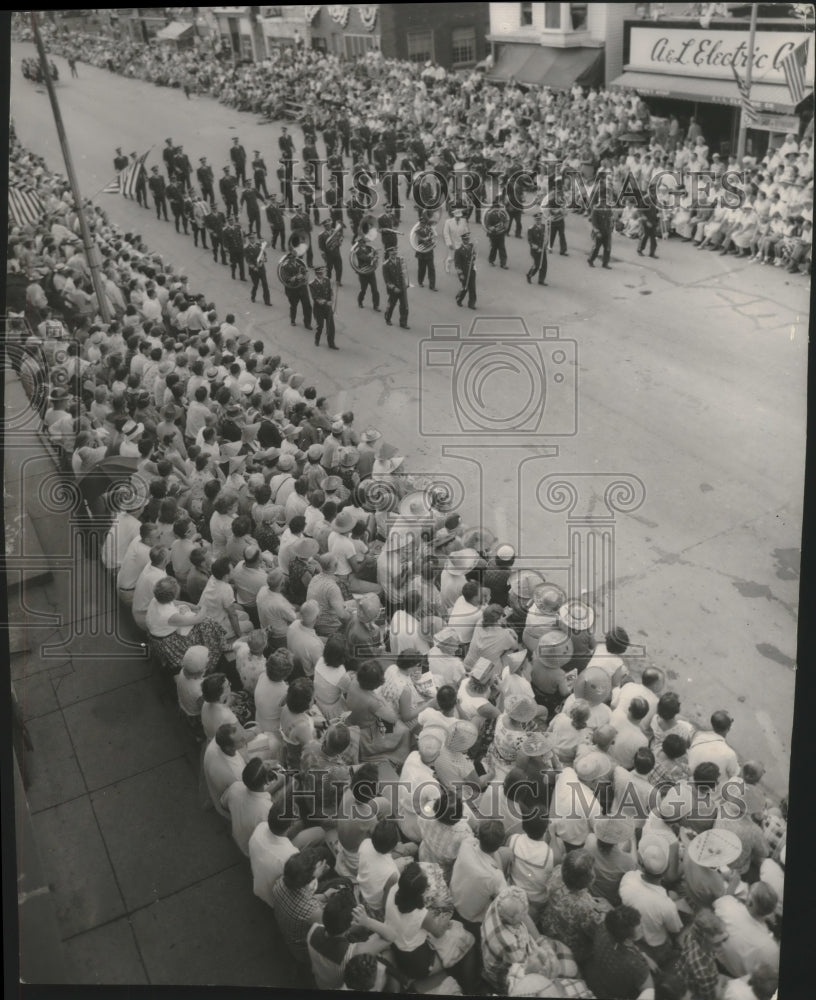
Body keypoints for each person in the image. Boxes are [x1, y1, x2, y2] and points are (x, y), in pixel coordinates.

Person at [618, 837, 682, 966]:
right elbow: (675, 930)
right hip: (657, 946)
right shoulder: (666, 905)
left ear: (641, 864)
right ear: (665, 871)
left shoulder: (628, 878)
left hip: (633, 938)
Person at [583, 905, 653, 1000]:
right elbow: (648, 990)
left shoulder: (603, 928)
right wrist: (644, 961)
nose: (643, 928)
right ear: (628, 937)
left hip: (602, 975)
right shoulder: (636, 964)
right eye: (640, 927)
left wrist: (643, 955)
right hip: (619, 992)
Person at [450, 819, 508, 929]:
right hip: (469, 916)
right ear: (500, 843)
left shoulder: (466, 843)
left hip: (454, 896)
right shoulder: (494, 876)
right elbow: (506, 899)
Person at [713, 881, 779, 978]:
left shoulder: (726, 906)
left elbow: (722, 901)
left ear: (749, 902)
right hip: (740, 978)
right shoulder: (771, 948)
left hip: (720, 965)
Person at [248, 799, 299, 908]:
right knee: (318, 832)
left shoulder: (260, 827)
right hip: (275, 901)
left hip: (259, 885)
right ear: (292, 824)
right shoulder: (291, 855)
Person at [309, 264, 337, 350]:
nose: (321, 275)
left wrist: (332, 299)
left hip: (328, 308)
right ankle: (317, 340)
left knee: (331, 327)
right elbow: (315, 298)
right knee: (320, 327)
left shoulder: (327, 280)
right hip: (319, 309)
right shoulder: (312, 284)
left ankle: (331, 344)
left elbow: (330, 291)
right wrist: (326, 302)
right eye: (319, 274)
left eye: (322, 273)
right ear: (316, 274)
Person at [382, 246, 409, 329]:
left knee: (404, 306)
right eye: (392, 253)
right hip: (393, 289)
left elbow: (404, 272)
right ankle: (387, 318)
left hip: (402, 287)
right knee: (391, 305)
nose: (394, 254)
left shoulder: (400, 260)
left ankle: (403, 323)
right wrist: (394, 288)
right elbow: (387, 281)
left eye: (395, 252)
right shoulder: (386, 265)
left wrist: (406, 283)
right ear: (389, 253)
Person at [454, 231, 477, 309]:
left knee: (472, 288)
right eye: (465, 239)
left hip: (472, 270)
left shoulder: (471, 247)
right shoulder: (458, 251)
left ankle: (471, 304)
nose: (467, 241)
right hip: (464, 272)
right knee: (465, 287)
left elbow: (474, 256)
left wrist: (473, 256)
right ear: (462, 240)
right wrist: (461, 274)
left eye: (468, 239)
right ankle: (459, 298)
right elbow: (457, 264)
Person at [246, 236, 271, 306]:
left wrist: (264, 260)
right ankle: (253, 296)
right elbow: (248, 260)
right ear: (249, 240)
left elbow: (264, 254)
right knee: (255, 285)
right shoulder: (247, 249)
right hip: (254, 270)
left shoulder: (259, 246)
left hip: (261, 269)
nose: (252, 239)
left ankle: (267, 301)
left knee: (265, 285)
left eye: (253, 238)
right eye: (251, 238)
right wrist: (254, 267)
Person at [526, 211, 548, 285]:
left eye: (540, 219)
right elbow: (530, 241)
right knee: (537, 265)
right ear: (534, 220)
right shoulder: (531, 229)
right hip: (535, 250)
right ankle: (529, 275)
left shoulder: (544, 226)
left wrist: (545, 245)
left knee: (544, 265)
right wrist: (537, 248)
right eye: (537, 219)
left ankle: (541, 280)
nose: (539, 221)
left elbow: (545, 237)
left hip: (542, 249)